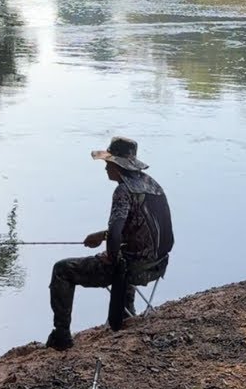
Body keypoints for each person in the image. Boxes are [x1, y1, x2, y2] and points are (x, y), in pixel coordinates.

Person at [46, 137, 174, 351]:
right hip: (157, 265)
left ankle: (62, 336)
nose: (105, 167)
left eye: (108, 163)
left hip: (132, 270)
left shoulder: (122, 192)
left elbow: (117, 233)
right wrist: (102, 236)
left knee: (62, 270)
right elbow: (137, 229)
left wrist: (110, 253)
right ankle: (126, 311)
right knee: (126, 253)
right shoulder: (152, 184)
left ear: (118, 165)